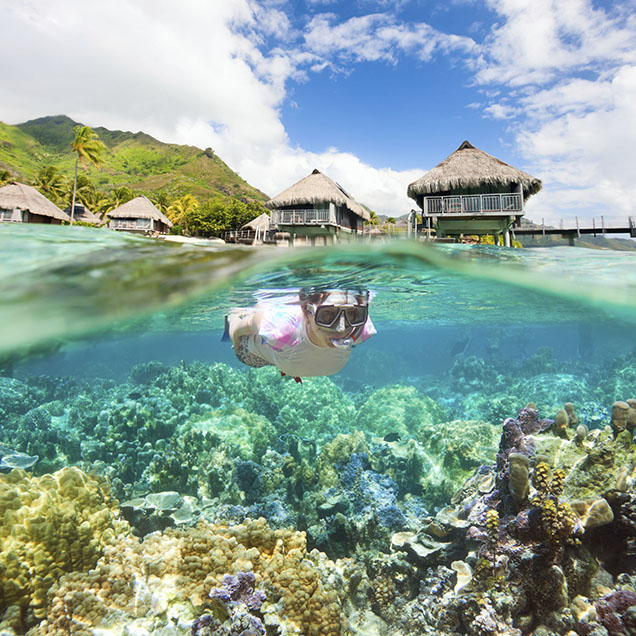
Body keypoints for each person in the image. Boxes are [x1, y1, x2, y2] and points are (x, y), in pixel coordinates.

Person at [226, 288, 376, 382]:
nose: (342, 328)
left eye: (352, 314)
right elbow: (240, 327)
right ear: (307, 312)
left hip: (286, 356)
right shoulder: (280, 330)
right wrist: (235, 342)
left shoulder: (360, 329)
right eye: (328, 315)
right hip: (256, 355)